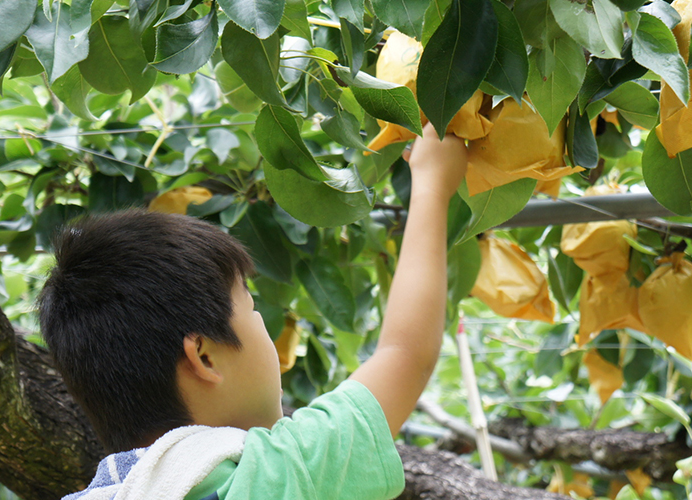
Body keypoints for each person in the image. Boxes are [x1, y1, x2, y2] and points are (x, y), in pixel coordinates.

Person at [37, 123, 468, 500]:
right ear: (204, 356)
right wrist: (432, 183)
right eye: (253, 308)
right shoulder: (271, 477)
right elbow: (405, 352)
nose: (264, 324)